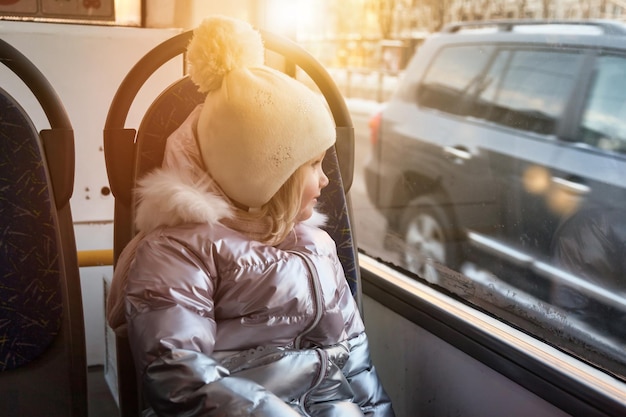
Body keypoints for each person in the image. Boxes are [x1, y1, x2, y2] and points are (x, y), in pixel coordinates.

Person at [106, 15, 394, 417]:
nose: (327, 179)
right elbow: (177, 374)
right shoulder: (179, 252)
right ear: (267, 179)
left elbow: (356, 363)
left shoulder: (320, 247)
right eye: (313, 165)